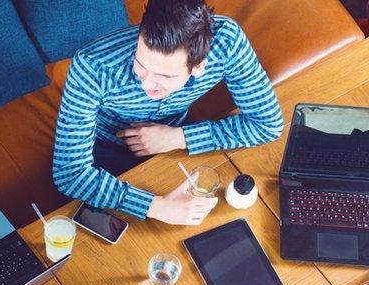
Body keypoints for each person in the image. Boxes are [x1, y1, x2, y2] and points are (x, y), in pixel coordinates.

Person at [52, 0, 284, 226]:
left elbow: (267, 124)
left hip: (176, 143)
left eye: (165, 76)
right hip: (102, 155)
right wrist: (156, 207)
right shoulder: (92, 66)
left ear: (199, 66)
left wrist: (176, 137)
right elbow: (70, 173)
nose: (147, 85)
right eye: (141, 66)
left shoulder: (227, 42)